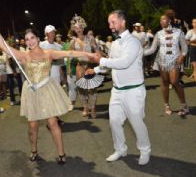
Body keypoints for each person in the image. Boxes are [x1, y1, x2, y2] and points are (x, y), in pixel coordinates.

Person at [0, 17, 94, 164]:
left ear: (38, 39)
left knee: (52, 123)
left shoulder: (48, 53)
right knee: (32, 127)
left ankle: (62, 154)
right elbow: (2, 44)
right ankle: (33, 150)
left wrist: (89, 55)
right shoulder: (24, 56)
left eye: (32, 38)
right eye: (27, 39)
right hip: (31, 93)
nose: (30, 41)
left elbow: (69, 54)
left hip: (47, 90)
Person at [87, 10, 151, 165]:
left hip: (133, 90)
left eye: (113, 22)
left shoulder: (133, 41)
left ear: (122, 22)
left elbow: (124, 62)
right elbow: (111, 63)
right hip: (117, 91)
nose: (110, 26)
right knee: (114, 121)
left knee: (136, 122)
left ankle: (145, 150)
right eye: (109, 23)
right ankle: (120, 149)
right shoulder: (115, 43)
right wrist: (95, 70)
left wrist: (101, 61)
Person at [144, 15, 189, 115]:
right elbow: (152, 49)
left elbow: (185, 47)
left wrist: (183, 55)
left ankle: (184, 106)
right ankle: (167, 105)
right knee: (164, 82)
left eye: (163, 19)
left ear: (169, 21)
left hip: (175, 60)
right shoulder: (158, 34)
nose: (161, 21)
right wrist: (140, 52)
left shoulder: (178, 32)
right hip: (162, 60)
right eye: (160, 20)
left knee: (174, 82)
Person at [69, 14, 103, 118]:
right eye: (76, 27)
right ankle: (85, 107)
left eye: (80, 27)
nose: (78, 29)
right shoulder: (73, 41)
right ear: (74, 29)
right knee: (80, 88)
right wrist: (70, 67)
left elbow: (97, 51)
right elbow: (70, 54)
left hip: (90, 64)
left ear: (83, 27)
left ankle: (92, 108)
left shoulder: (90, 38)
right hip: (80, 65)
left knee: (92, 88)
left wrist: (98, 58)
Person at [185, 18, 196, 82]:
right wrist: (192, 41)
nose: (195, 24)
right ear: (192, 24)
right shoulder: (190, 32)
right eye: (194, 22)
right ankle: (194, 76)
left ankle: (194, 75)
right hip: (193, 48)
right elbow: (185, 41)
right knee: (194, 64)